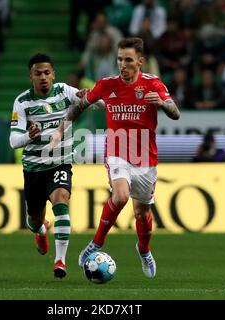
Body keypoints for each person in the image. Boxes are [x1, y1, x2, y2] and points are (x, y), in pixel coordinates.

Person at [51, 37, 180, 278]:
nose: (123, 64)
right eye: (119, 59)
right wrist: (61, 128)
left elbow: (175, 113)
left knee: (142, 212)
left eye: (128, 60)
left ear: (140, 61)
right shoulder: (107, 84)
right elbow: (80, 104)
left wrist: (162, 103)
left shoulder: (153, 84)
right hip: (117, 152)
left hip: (145, 155)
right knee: (120, 196)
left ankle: (143, 250)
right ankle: (96, 243)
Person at [9, 53, 83, 279]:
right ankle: (40, 230)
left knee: (61, 199)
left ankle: (60, 261)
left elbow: (93, 102)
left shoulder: (64, 91)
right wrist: (29, 137)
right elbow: (13, 142)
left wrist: (96, 97)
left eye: (47, 73)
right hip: (33, 168)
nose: (43, 77)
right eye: (38, 73)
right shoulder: (22, 102)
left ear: (53, 75)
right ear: (31, 76)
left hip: (60, 162)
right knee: (34, 220)